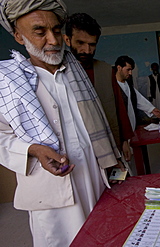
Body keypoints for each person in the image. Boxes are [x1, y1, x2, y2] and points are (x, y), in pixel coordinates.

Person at [0, 0, 121, 246]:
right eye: (39, 32)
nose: (53, 40)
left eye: (56, 30)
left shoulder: (76, 73)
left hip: (94, 178)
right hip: (50, 191)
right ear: (19, 36)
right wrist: (32, 150)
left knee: (106, 234)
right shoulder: (7, 82)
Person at [63, 12, 125, 157]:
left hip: (107, 141)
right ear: (67, 40)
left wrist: (125, 140)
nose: (87, 50)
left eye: (92, 45)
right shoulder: (58, 71)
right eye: (80, 43)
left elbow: (118, 106)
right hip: (76, 145)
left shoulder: (105, 70)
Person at [115, 56, 160, 132]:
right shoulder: (112, 86)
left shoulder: (128, 85)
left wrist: (151, 109)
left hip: (132, 124)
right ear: (119, 68)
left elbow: (138, 99)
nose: (130, 73)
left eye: (131, 70)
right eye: (128, 70)